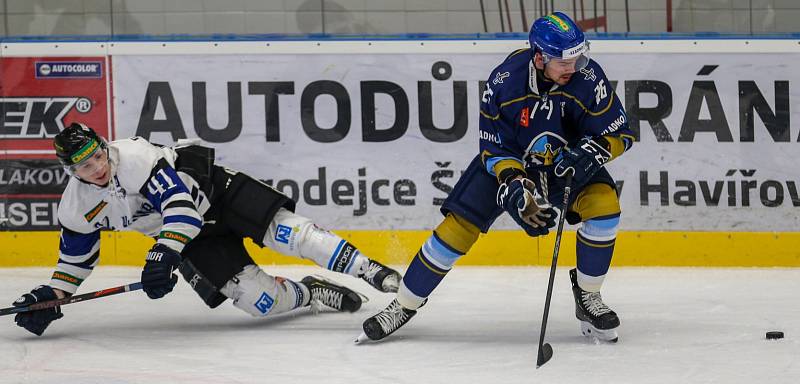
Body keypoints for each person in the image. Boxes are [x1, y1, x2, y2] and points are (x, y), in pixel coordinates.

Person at [358, 12, 636, 343]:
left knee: (604, 207)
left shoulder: (588, 78)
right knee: (456, 229)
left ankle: (588, 297)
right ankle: (403, 305)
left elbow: (622, 134)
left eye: (577, 57)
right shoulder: (504, 83)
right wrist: (518, 188)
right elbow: (495, 150)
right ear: (539, 57)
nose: (572, 67)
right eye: (564, 61)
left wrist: (595, 151)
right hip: (510, 165)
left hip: (565, 163)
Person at [11, 122, 401, 336]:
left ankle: (373, 272)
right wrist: (52, 295)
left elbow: (182, 211)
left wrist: (161, 256)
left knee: (296, 236)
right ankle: (311, 292)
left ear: (102, 146)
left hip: (220, 197)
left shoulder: (133, 157)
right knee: (259, 302)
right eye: (84, 166)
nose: (97, 167)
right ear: (71, 172)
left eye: (97, 155)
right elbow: (76, 260)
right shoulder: (76, 207)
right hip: (192, 240)